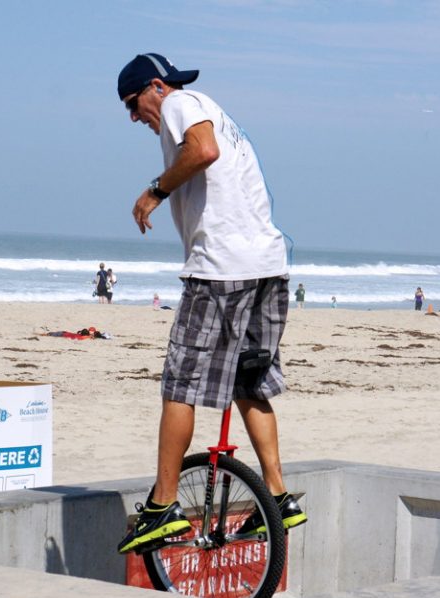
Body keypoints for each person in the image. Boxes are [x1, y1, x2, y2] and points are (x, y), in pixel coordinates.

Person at [115, 53, 306, 553]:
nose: (134, 117)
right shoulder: (212, 107)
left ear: (155, 87)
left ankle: (162, 505)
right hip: (267, 266)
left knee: (179, 383)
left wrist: (154, 191)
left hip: (221, 268)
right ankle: (279, 497)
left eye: (133, 104)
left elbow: (203, 152)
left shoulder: (182, 104)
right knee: (250, 380)